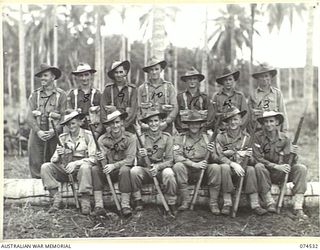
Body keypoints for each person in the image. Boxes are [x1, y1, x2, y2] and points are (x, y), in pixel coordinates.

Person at [253, 111, 308, 219]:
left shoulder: (285, 139)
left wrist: (293, 154)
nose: (269, 124)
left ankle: (298, 207)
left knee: (301, 169)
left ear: (277, 122)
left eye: (271, 121)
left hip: (282, 173)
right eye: (266, 122)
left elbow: (291, 162)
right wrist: (274, 166)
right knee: (258, 166)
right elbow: (257, 158)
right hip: (266, 173)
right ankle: (270, 202)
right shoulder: (257, 137)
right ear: (263, 123)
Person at [41, 110, 97, 215]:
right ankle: (57, 198)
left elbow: (93, 158)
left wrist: (76, 163)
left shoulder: (88, 136)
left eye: (73, 123)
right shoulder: (62, 138)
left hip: (80, 171)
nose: (70, 126)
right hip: (65, 169)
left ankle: (85, 201)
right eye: (68, 124)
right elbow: (53, 160)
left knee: (85, 167)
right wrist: (58, 154)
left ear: (80, 122)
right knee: (45, 167)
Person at [214, 107, 268, 216]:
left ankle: (255, 204)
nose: (233, 122)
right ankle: (227, 203)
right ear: (226, 122)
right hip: (228, 171)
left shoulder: (247, 138)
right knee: (224, 167)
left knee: (252, 169)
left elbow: (253, 160)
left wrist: (249, 156)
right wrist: (232, 164)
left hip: (243, 170)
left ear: (241, 121)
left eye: (235, 119)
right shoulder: (221, 137)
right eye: (230, 120)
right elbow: (219, 156)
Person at [172, 110, 221, 215]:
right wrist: (194, 164)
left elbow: (216, 159)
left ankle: (213, 203)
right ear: (188, 125)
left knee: (216, 167)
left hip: (204, 171)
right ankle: (185, 201)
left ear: (200, 125)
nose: (194, 126)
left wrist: (212, 152)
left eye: (196, 123)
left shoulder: (208, 138)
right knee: (178, 166)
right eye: (191, 123)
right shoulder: (181, 138)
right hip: (188, 170)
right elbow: (177, 157)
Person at [130, 109, 177, 214]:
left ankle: (171, 202)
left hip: (161, 170)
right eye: (150, 121)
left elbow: (170, 160)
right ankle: (138, 200)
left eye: (156, 121)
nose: (153, 124)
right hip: (147, 170)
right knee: (134, 171)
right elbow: (139, 162)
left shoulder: (167, 137)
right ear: (147, 123)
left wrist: (158, 167)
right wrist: (142, 156)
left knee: (169, 173)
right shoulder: (141, 138)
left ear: (160, 121)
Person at [26, 63, 67, 178]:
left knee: (54, 159)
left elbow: (64, 117)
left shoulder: (61, 95)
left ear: (53, 77)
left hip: (54, 133)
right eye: (41, 76)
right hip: (37, 131)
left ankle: (53, 187)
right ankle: (36, 188)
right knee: (35, 159)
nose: (42, 78)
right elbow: (29, 116)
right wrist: (38, 131)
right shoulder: (35, 95)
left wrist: (55, 131)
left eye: (45, 75)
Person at [92, 109, 136, 216]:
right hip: (107, 171)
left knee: (125, 169)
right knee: (95, 169)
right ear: (108, 125)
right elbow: (100, 160)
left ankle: (125, 205)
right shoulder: (102, 139)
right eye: (112, 123)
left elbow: (130, 159)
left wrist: (114, 165)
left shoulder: (130, 138)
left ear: (121, 122)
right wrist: (100, 158)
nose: (115, 126)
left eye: (117, 122)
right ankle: (99, 205)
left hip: (121, 171)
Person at [137, 56, 178, 134]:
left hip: (165, 127)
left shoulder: (169, 87)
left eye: (156, 69)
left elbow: (175, 107)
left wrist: (167, 122)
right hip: (147, 127)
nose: (154, 72)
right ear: (148, 71)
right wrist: (141, 123)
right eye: (151, 70)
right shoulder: (141, 88)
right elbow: (138, 109)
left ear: (161, 70)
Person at [248, 63, 288, 133]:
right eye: (261, 76)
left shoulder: (277, 93)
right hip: (259, 131)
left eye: (266, 76)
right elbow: (248, 115)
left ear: (270, 77)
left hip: (274, 132)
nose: (264, 79)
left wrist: (284, 131)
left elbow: (283, 112)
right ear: (258, 78)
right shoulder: (253, 94)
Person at [100, 60, 137, 133]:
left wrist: (123, 126)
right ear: (113, 74)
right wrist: (107, 127)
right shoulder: (108, 89)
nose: (119, 75)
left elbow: (133, 112)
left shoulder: (132, 89)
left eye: (121, 72)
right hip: (111, 128)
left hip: (128, 128)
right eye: (116, 72)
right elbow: (103, 110)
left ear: (125, 72)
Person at [209, 66, 249, 132]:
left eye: (230, 79)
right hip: (221, 130)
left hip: (237, 130)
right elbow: (212, 115)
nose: (228, 82)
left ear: (234, 80)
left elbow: (245, 115)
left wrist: (240, 128)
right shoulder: (216, 96)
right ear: (222, 82)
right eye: (225, 80)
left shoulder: (240, 96)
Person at [176, 67, 210, 133]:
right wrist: (182, 131)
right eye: (189, 79)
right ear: (186, 81)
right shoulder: (180, 97)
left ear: (198, 81)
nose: (192, 81)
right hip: (184, 132)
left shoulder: (204, 97)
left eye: (194, 79)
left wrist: (203, 130)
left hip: (201, 133)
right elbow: (177, 118)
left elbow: (210, 116)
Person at [67, 63, 101, 129]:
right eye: (81, 75)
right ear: (77, 77)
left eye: (86, 75)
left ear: (91, 75)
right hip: (76, 130)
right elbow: (67, 111)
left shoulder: (97, 94)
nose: (84, 78)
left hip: (94, 129)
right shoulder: (72, 94)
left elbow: (103, 115)